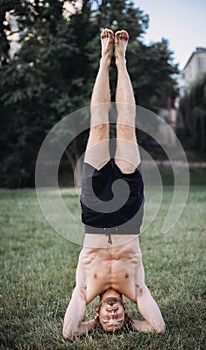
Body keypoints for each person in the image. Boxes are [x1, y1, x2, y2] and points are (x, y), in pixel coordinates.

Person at [62, 28, 165, 338]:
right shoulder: (135, 288)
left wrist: (90, 325)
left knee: (98, 127)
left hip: (94, 216)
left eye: (105, 321)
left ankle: (103, 58)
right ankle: (120, 61)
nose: (111, 316)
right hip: (129, 215)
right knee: (124, 129)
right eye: (116, 321)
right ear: (125, 314)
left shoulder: (86, 289)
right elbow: (158, 327)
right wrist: (132, 323)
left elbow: (68, 332)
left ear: (95, 314)